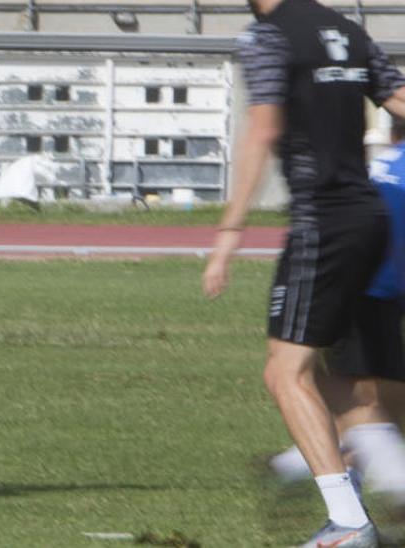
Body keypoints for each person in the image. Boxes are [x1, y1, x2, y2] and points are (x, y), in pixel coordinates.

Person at [203, 0, 405, 544]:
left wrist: (228, 231)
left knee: (283, 372)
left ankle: (348, 522)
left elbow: (264, 130)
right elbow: (401, 98)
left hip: (325, 221)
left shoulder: (266, 37)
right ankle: (368, 489)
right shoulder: (347, 29)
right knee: (332, 378)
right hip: (369, 218)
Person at [268, 117, 405, 508]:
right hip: (374, 290)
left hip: (354, 285)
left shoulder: (381, 169)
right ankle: (317, 470)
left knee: (371, 396)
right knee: (371, 400)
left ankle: (305, 464)